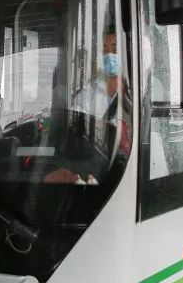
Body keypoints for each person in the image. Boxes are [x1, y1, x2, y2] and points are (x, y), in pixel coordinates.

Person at [43, 28, 130, 184]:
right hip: (97, 170)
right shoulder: (90, 90)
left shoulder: (135, 93)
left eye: (115, 49)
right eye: (105, 50)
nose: (109, 55)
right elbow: (73, 125)